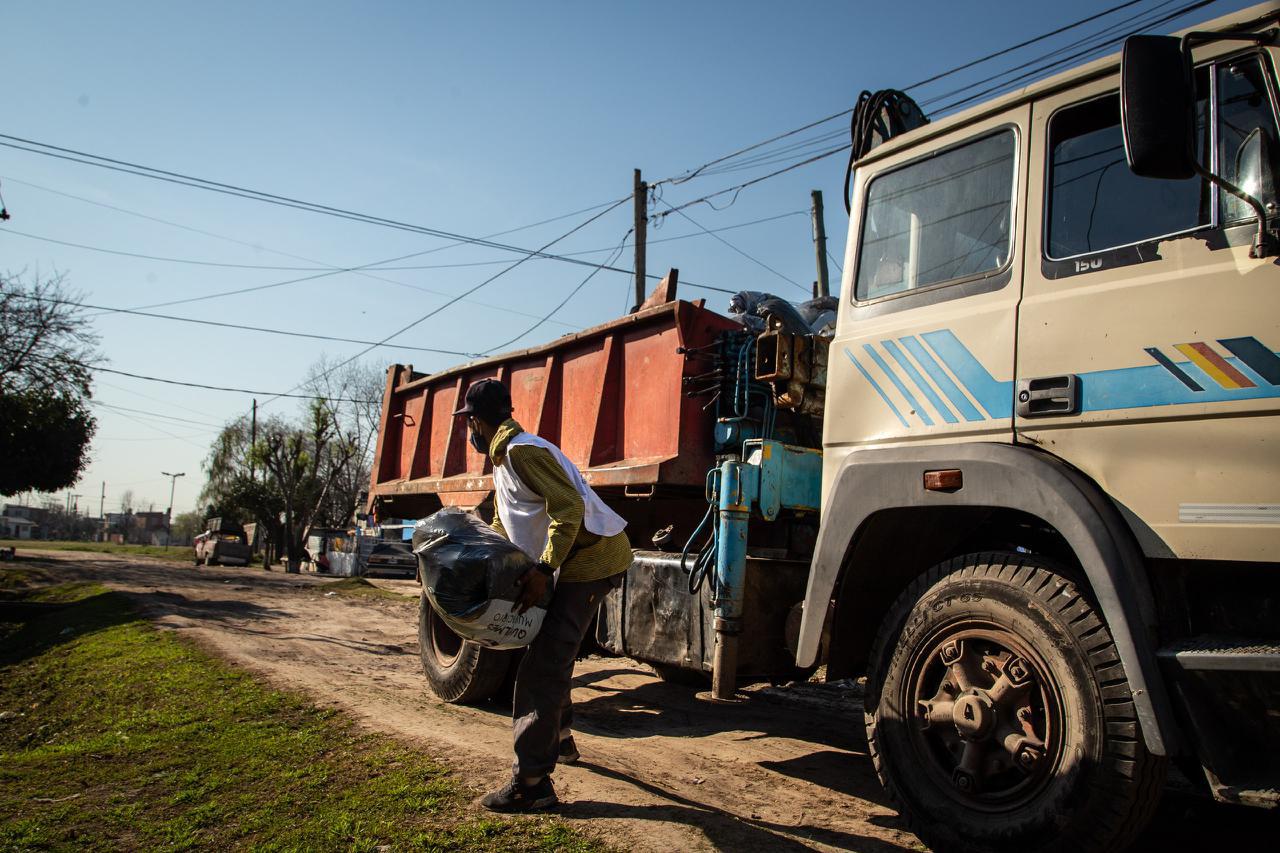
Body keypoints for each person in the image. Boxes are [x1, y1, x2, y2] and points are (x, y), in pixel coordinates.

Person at [453, 378, 631, 813]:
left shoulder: (522, 452)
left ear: (475, 421)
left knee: (541, 667)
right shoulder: (503, 459)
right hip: (572, 562)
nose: (469, 431)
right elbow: (506, 521)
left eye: (468, 423)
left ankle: (532, 783)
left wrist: (545, 570)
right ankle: (561, 739)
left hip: (590, 562)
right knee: (549, 654)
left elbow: (568, 509)